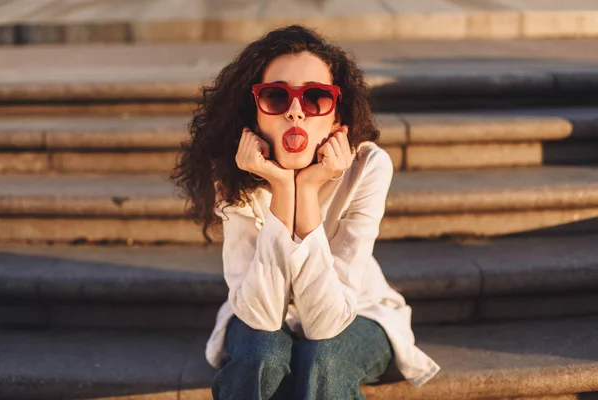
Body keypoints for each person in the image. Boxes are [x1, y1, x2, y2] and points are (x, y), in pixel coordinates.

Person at [172, 24, 440, 400]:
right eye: (276, 98)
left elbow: (327, 323)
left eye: (315, 98)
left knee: (324, 358)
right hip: (254, 308)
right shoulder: (234, 172)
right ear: (255, 116)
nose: (296, 113)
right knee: (262, 355)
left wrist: (310, 189)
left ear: (336, 118)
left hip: (359, 309)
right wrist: (283, 186)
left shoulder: (367, 167)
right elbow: (263, 316)